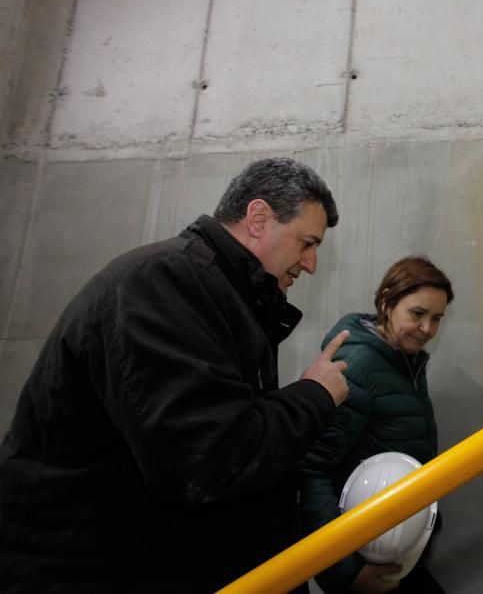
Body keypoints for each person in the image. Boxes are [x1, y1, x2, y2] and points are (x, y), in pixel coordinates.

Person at [0, 158, 351, 592]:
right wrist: (314, 395)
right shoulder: (163, 282)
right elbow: (208, 461)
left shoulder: (217, 294)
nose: (312, 263)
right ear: (258, 219)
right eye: (306, 243)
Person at [299, 256, 453, 594]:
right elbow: (312, 471)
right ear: (386, 301)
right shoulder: (359, 366)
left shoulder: (403, 361)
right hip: (363, 556)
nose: (427, 328)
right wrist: (346, 573)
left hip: (390, 545)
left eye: (437, 318)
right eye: (417, 314)